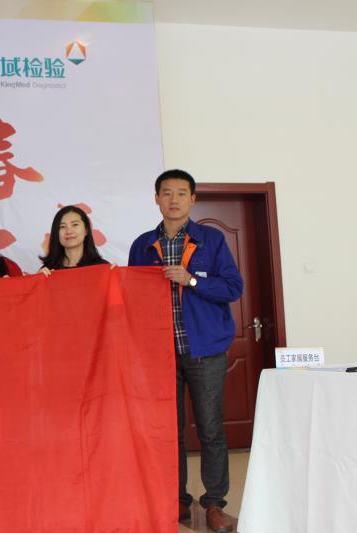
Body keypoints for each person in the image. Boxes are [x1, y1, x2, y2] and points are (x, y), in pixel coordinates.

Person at [128, 169, 243, 533]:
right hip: (160, 355)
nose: (173, 199)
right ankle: (176, 498)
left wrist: (191, 279)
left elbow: (233, 287)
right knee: (169, 431)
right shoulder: (142, 245)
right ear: (156, 199)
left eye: (181, 193)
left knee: (211, 430)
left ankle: (214, 503)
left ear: (193, 199)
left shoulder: (212, 239)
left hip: (205, 352)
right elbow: (132, 297)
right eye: (166, 193)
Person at [38, 205, 109, 276]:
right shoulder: (47, 271)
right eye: (62, 226)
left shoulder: (102, 267)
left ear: (86, 230)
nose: (69, 231)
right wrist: (37, 279)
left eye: (75, 224)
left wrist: (114, 274)